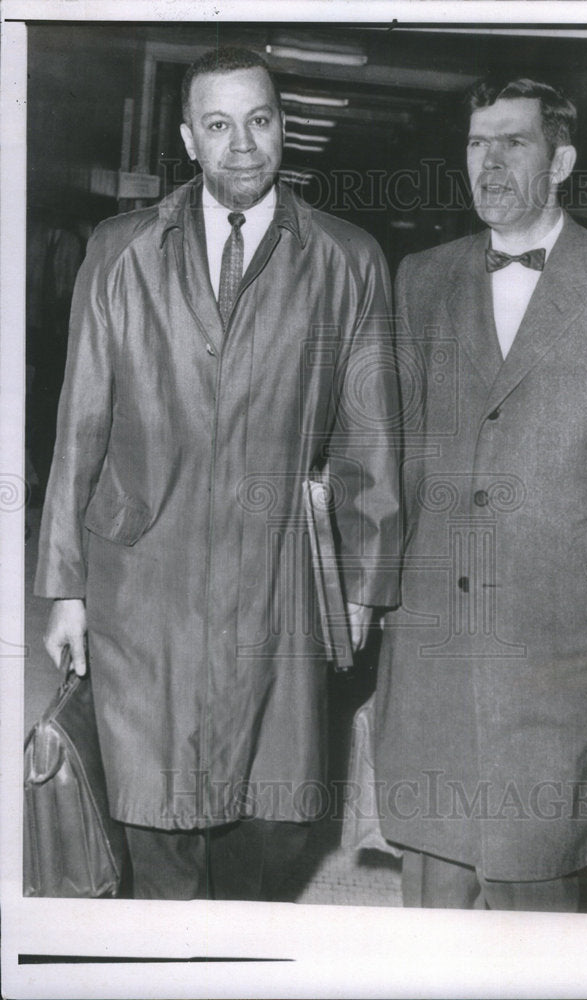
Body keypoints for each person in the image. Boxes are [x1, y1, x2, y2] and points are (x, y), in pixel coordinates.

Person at [34, 46, 400, 900]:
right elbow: (78, 424)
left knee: (275, 810)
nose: (243, 144)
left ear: (280, 128)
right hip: (142, 567)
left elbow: (371, 438)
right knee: (148, 796)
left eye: (260, 120)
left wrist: (364, 582)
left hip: (280, 569)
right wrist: (65, 586)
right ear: (189, 140)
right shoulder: (121, 250)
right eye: (219, 124)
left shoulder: (347, 258)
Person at [375, 77, 587, 911]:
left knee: (535, 865)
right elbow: (397, 450)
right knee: (434, 861)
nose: (487, 163)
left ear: (560, 159)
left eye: (513, 143)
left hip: (564, 628)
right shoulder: (419, 277)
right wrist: (378, 588)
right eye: (475, 143)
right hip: (437, 615)